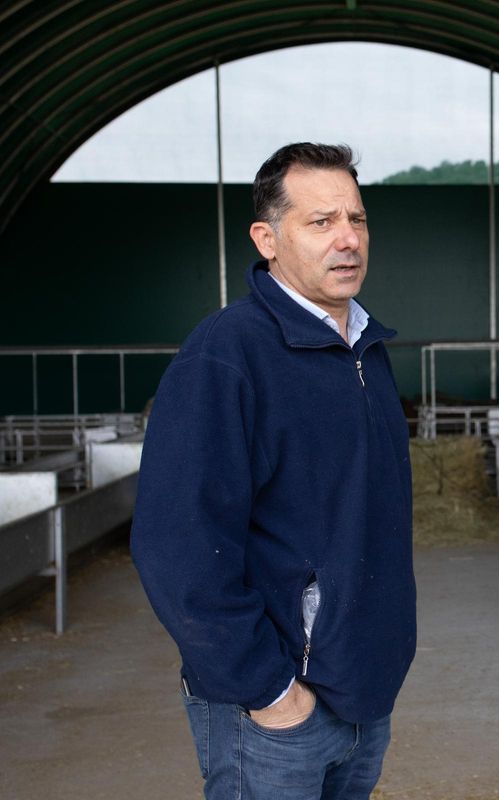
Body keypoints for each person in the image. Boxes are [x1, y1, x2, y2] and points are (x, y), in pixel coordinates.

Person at [131, 142, 416, 800]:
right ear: (267, 238)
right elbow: (177, 545)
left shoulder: (365, 349)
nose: (347, 239)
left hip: (364, 691)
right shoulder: (228, 355)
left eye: (357, 219)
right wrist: (269, 691)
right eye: (321, 222)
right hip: (273, 710)